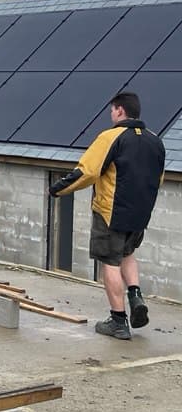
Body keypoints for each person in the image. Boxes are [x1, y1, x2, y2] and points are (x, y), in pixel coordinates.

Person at [49, 91, 164, 341]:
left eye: (112, 110)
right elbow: (159, 178)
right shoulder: (155, 140)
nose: (111, 115)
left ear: (120, 111)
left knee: (110, 262)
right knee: (128, 254)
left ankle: (118, 321)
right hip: (140, 212)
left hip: (111, 211)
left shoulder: (111, 137)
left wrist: (58, 189)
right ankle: (135, 295)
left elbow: (88, 171)